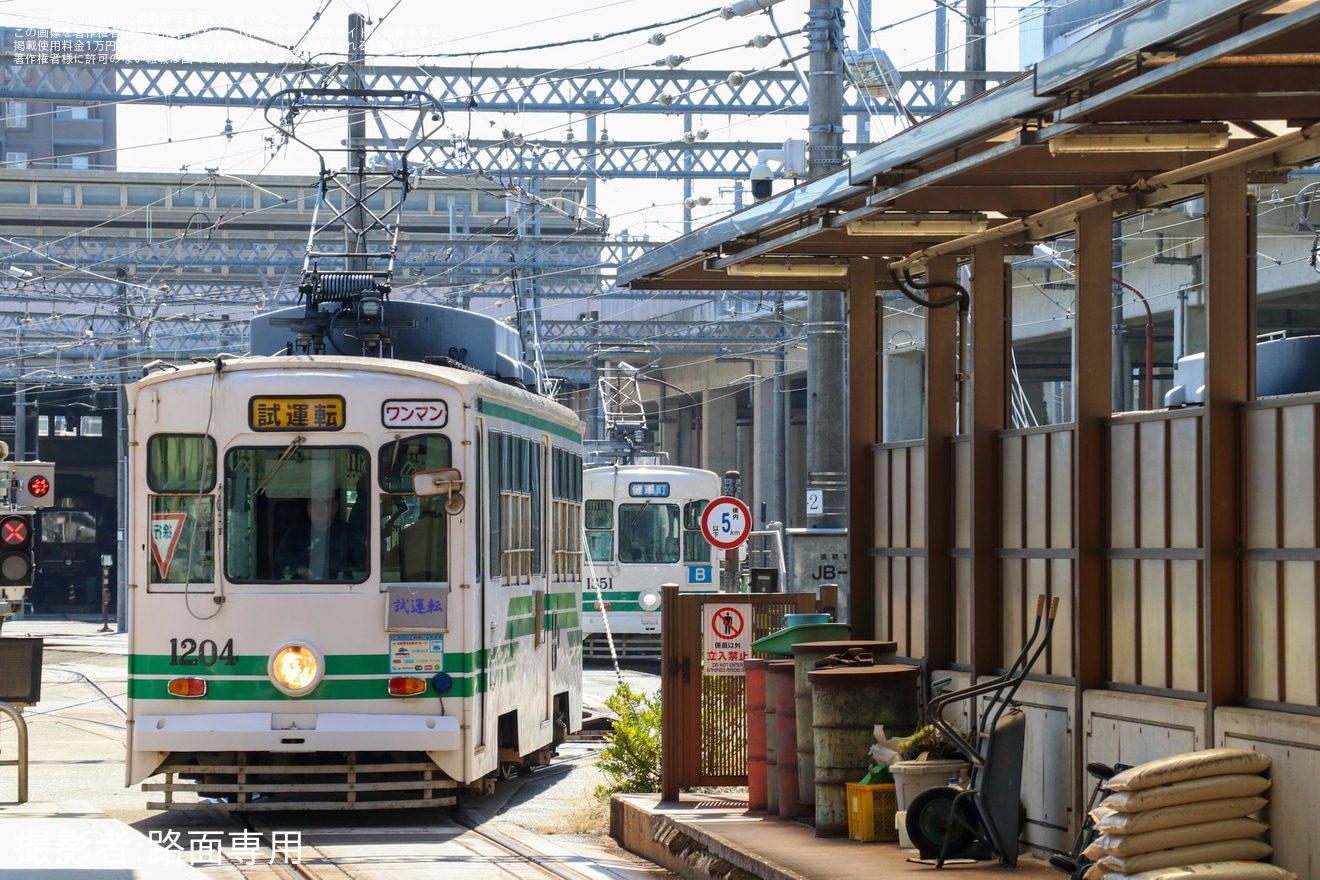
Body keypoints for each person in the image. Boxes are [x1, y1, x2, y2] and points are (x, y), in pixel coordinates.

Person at [274, 495, 366, 579]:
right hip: (301, 589)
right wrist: (299, 568)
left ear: (335, 506)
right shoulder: (296, 531)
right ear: (308, 507)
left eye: (325, 502)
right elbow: (281, 555)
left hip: (338, 589)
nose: (319, 507)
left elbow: (362, 562)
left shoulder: (349, 533)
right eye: (314, 502)